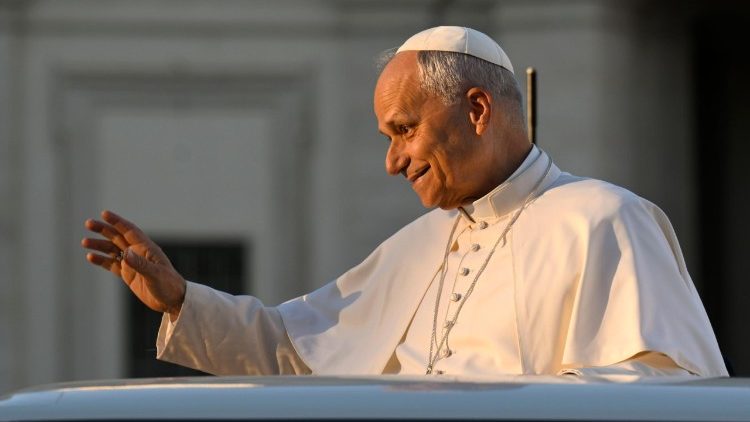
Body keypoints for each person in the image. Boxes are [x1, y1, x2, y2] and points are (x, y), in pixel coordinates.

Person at [82, 26, 728, 377]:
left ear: (477, 110)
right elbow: (295, 347)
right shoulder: (417, 246)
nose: (393, 162)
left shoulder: (602, 219)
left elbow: (667, 390)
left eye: (404, 130)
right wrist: (182, 300)